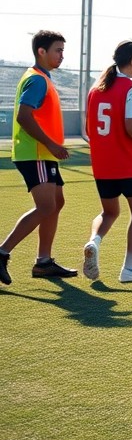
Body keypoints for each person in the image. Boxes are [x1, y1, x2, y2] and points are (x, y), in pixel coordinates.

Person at [0, 30, 76, 284]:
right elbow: (24, 116)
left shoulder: (42, 77)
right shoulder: (37, 79)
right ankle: (2, 252)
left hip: (43, 153)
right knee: (46, 206)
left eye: (63, 50)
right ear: (41, 51)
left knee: (56, 202)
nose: (62, 55)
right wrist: (51, 144)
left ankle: (44, 262)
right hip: (36, 153)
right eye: (58, 50)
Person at [82, 40, 132, 283]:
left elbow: (89, 130)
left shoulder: (95, 90)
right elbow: (131, 126)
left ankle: (93, 242)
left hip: (102, 165)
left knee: (109, 212)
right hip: (128, 164)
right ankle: (128, 268)